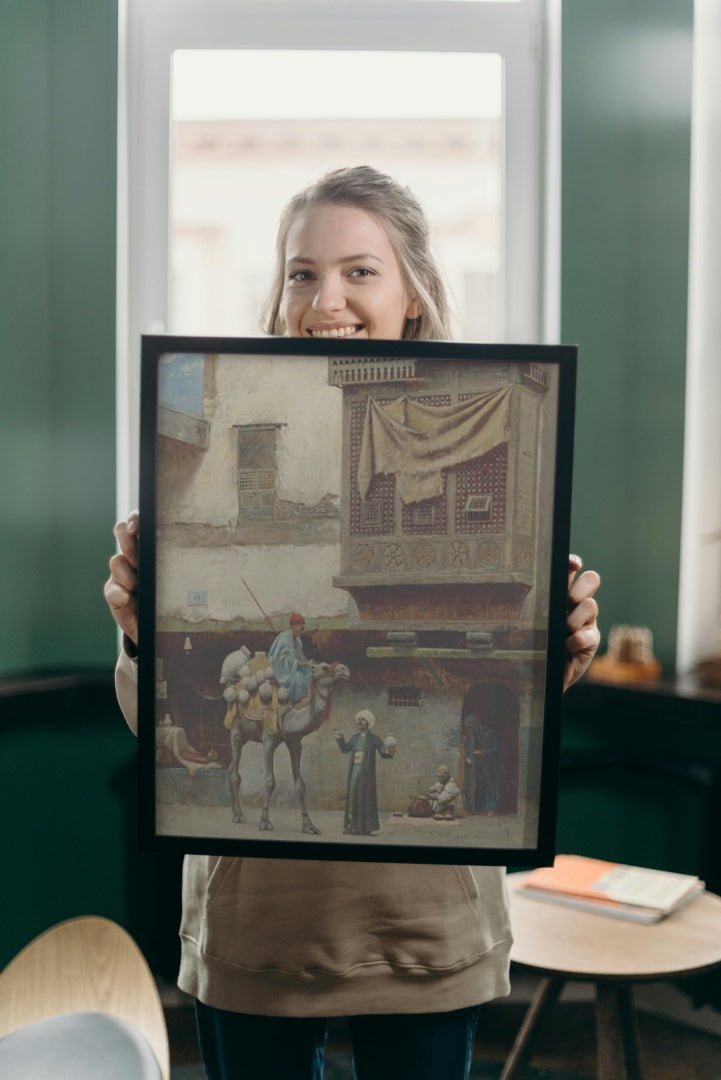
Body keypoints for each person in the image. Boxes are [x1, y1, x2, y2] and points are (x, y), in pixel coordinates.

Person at [105, 166, 601, 1080]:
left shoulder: (490, 400)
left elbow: (523, 707)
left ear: (412, 292)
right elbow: (160, 732)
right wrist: (142, 635)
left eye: (359, 271)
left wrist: (560, 649)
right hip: (256, 930)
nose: (324, 298)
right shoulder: (219, 411)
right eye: (301, 272)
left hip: (423, 930)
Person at [333, 709, 396, 835]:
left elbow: (383, 752)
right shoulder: (355, 738)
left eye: (362, 720)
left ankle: (365, 827)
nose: (359, 722)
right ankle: (352, 826)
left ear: (368, 722)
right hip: (354, 771)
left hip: (366, 774)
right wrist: (339, 737)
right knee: (352, 796)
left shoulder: (374, 739)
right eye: (358, 720)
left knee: (364, 798)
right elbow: (345, 749)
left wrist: (389, 752)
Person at [267, 612, 314, 704]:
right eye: (301, 628)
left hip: (292, 668)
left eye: (303, 628)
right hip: (282, 672)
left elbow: (300, 656)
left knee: (309, 672)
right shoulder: (284, 639)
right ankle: (296, 701)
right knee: (299, 678)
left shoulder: (298, 641)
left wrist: (307, 663)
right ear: (294, 627)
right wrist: (302, 663)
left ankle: (308, 698)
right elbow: (280, 660)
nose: (302, 631)